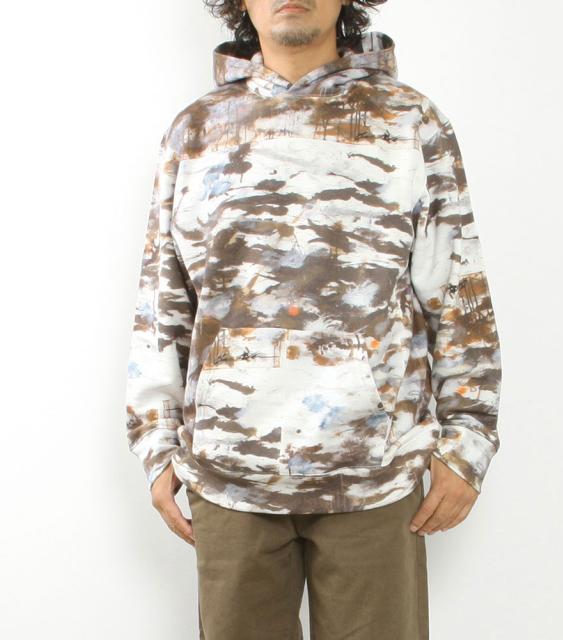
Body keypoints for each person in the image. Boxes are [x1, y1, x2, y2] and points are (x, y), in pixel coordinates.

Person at [125, 1, 502, 638]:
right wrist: (155, 442)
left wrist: (468, 442)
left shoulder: (410, 122)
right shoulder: (196, 132)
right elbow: (164, 300)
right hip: (230, 474)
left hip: (375, 474)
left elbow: (459, 292)